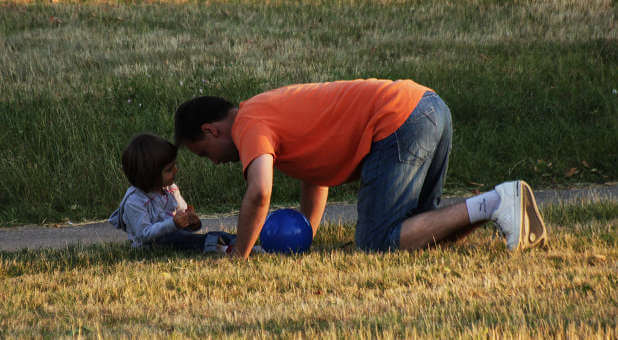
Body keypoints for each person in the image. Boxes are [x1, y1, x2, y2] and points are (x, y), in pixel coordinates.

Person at [173, 79, 548, 259]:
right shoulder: (265, 109)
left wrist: (241, 253)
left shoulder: (247, 124)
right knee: (419, 234)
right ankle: (504, 205)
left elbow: (259, 192)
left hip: (400, 121)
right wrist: (307, 233)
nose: (217, 161)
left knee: (377, 241)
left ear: (211, 130)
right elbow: (316, 177)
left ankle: (497, 200)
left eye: (205, 152)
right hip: (429, 106)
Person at [109, 133, 237, 252]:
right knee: (183, 240)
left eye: (174, 165)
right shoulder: (134, 201)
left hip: (177, 236)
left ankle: (242, 241)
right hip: (153, 245)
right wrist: (173, 224)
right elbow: (144, 235)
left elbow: (182, 221)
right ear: (149, 175)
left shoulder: (170, 189)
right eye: (169, 169)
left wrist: (192, 222)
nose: (176, 170)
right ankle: (221, 249)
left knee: (211, 234)